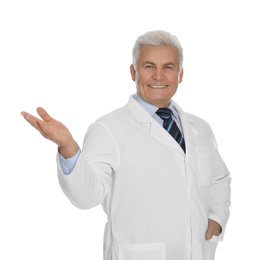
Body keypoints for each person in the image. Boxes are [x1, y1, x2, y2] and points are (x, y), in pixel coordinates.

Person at [21, 30, 231, 260]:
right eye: (149, 66)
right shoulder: (108, 129)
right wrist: (68, 148)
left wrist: (216, 217)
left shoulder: (200, 128)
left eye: (168, 67)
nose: (158, 76)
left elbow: (219, 179)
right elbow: (86, 196)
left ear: (180, 74)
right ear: (133, 72)